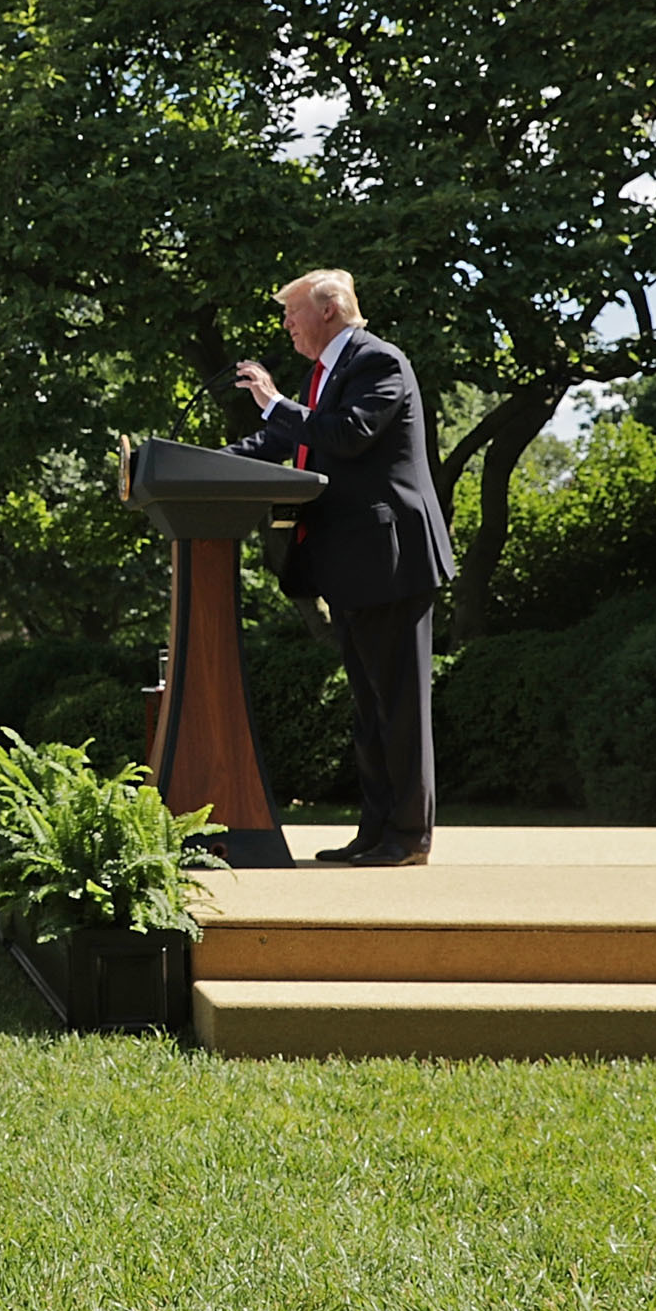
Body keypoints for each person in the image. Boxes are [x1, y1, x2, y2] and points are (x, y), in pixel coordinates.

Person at [228, 268, 455, 868]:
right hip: (354, 565)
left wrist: (275, 402)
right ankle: (376, 831)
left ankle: (409, 837)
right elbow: (293, 441)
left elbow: (347, 435)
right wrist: (198, 461)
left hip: (392, 561)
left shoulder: (380, 361)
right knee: (369, 709)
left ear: (328, 310)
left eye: (291, 312)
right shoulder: (325, 374)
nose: (285, 324)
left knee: (399, 706)